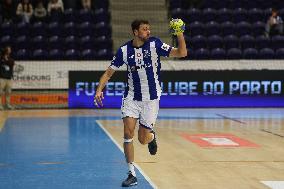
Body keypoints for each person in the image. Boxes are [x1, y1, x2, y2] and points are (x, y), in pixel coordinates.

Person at [94, 19, 187, 187]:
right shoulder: (124, 50)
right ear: (135, 32)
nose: (148, 32)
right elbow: (108, 73)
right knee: (128, 133)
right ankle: (131, 174)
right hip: (131, 98)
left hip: (151, 100)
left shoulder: (155, 44)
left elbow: (181, 53)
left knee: (142, 139)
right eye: (145, 29)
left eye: (149, 29)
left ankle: (151, 137)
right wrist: (99, 89)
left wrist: (179, 34)